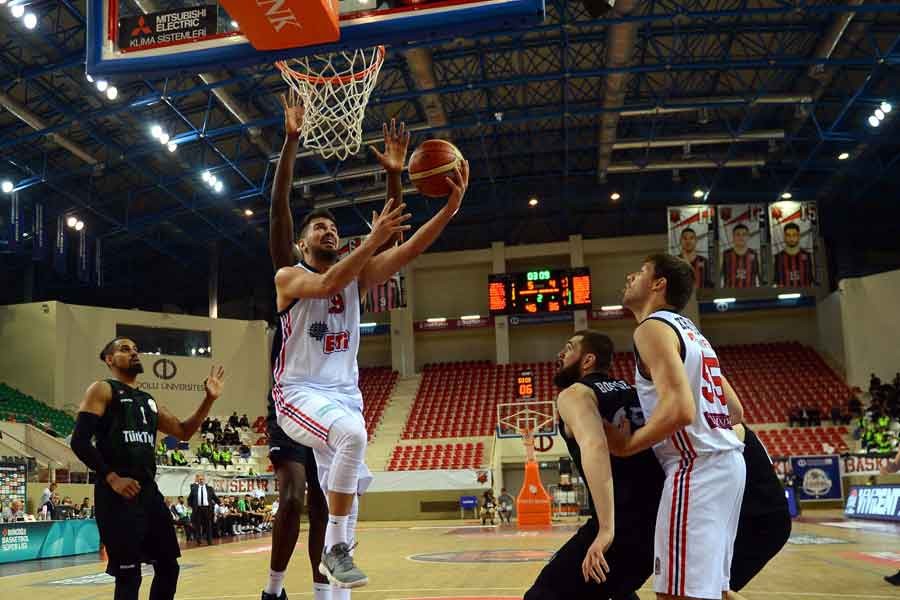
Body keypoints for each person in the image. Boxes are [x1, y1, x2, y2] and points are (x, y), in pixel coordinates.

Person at [264, 95, 467, 595]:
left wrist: (449, 207)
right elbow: (326, 278)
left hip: (344, 394)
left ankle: (335, 576)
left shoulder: (357, 274)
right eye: (319, 227)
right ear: (301, 243)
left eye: (335, 227)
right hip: (298, 394)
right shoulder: (289, 276)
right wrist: (291, 140)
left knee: (348, 498)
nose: (329, 230)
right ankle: (327, 551)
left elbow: (407, 245)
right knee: (351, 439)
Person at [620, 254, 745, 600]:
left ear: (659, 284)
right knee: (715, 591)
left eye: (641, 271)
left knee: (676, 594)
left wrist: (628, 445)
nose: (631, 275)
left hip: (696, 468)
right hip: (728, 466)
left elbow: (680, 409)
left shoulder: (651, 328)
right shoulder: (693, 334)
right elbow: (735, 410)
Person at [69, 338, 225, 600]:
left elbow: (184, 432)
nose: (134, 353)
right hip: (117, 495)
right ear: (109, 359)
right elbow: (79, 441)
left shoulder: (148, 401)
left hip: (149, 495)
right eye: (125, 349)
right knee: (129, 576)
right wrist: (112, 477)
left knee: (169, 568)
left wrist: (208, 399)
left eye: (136, 349)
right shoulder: (103, 389)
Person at [525, 330, 661, 600]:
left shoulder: (575, 394)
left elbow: (594, 446)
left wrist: (607, 529)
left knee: (542, 595)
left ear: (587, 360)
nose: (560, 354)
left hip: (620, 525)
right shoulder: (635, 393)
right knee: (615, 589)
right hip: (658, 525)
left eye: (568, 347)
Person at [774, 223, 814, 287]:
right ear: (784, 237)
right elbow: (775, 282)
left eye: (794, 235)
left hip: (805, 295)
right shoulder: (778, 257)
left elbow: (812, 280)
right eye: (788, 235)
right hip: (784, 295)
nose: (791, 238)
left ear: (798, 236)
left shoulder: (807, 256)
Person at [189, 473, 220, 544]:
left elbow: (214, 497)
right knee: (198, 525)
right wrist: (192, 506)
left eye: (202, 479)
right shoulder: (194, 488)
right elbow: (190, 499)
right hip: (198, 509)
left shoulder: (209, 488)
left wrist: (219, 503)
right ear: (198, 480)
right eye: (200, 479)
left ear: (205, 480)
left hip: (207, 509)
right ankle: (199, 540)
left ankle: (209, 540)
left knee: (208, 525)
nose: (201, 480)